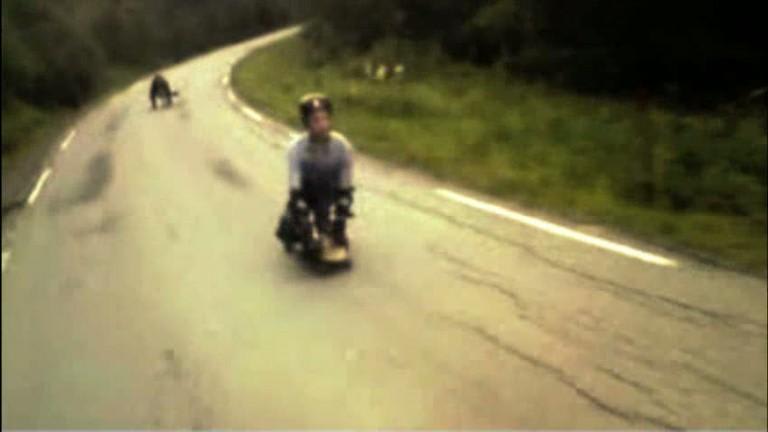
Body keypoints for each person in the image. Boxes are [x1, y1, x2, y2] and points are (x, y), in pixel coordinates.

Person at [278, 93, 355, 248]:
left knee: (334, 229)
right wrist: (300, 208)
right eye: (316, 120)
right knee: (291, 230)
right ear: (307, 123)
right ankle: (300, 229)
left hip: (328, 192)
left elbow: (345, 182)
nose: (322, 125)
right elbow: (295, 184)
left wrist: (341, 211)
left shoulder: (341, 146)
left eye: (325, 119)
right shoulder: (297, 149)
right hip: (306, 192)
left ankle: (330, 229)